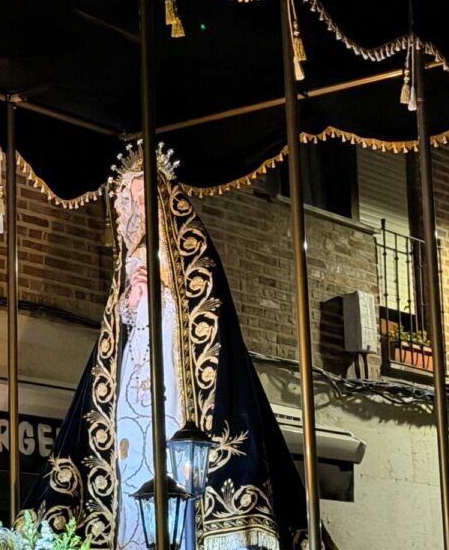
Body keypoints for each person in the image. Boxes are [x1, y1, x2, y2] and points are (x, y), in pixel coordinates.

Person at [23, 143, 332, 550]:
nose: (128, 210)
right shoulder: (129, 263)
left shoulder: (189, 262)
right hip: (133, 384)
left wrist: (159, 296)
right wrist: (132, 303)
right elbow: (117, 336)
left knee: (175, 456)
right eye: (126, 199)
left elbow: (201, 323)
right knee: (131, 462)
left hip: (176, 385)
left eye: (137, 199)